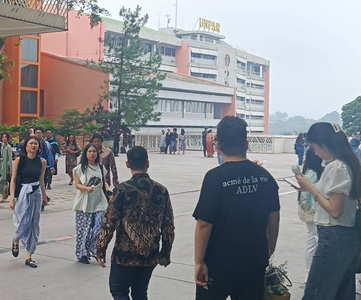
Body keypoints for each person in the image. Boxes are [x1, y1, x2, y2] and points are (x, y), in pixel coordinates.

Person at [193, 116, 280, 300]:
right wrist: (268, 249)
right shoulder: (265, 177)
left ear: (218, 146)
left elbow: (204, 224)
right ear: (246, 144)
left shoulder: (214, 178)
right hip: (254, 260)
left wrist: (199, 262)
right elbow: (274, 217)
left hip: (218, 263)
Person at [294, 122, 361, 300]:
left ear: (324, 145)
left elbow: (335, 210)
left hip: (334, 237)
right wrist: (309, 187)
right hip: (348, 237)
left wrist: (311, 188)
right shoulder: (349, 163)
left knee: (316, 293)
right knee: (341, 294)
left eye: (315, 147)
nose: (315, 153)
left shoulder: (336, 167)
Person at [96, 146, 174, 299]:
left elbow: (109, 222)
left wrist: (101, 249)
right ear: (148, 163)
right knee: (140, 293)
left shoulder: (122, 190)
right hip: (150, 254)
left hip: (124, 255)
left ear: (127, 164)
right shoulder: (161, 190)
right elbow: (168, 226)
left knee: (119, 291)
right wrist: (165, 253)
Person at [9, 136, 48, 268]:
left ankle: (29, 255)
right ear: (26, 146)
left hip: (36, 192)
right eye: (31, 143)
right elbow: (13, 178)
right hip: (23, 192)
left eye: (35, 144)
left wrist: (44, 195)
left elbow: (42, 179)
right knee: (24, 220)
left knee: (34, 223)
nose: (33, 146)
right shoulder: (20, 160)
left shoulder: (42, 162)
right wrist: (12, 197)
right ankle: (16, 239)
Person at [73, 143, 109, 264]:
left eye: (94, 151)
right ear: (85, 154)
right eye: (89, 151)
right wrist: (85, 188)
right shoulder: (80, 168)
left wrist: (109, 189)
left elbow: (104, 182)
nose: (92, 154)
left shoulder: (100, 167)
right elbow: (77, 184)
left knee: (99, 226)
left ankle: (92, 246)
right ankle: (82, 253)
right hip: (85, 202)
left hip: (99, 201)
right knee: (84, 229)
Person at [296, 147, 324, 273]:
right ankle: (314, 272)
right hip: (315, 213)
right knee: (317, 239)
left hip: (307, 212)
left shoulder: (307, 173)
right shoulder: (316, 174)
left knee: (311, 240)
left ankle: (309, 271)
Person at [0, 133, 13, 203]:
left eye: (5, 137)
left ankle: (4, 195)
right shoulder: (2, 146)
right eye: (3, 137)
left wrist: (11, 169)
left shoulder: (9, 147)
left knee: (4, 181)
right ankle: (5, 193)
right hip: (1, 166)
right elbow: (2, 157)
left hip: (6, 167)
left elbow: (10, 159)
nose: (4, 138)